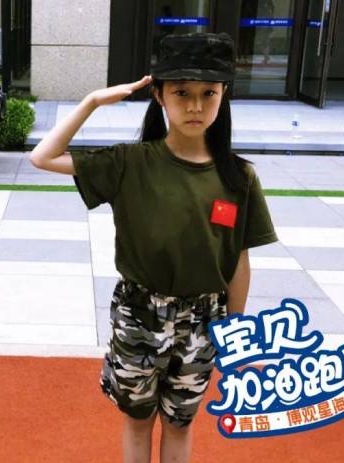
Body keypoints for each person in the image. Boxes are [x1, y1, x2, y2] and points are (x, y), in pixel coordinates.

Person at [30, 33, 278, 462]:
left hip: (204, 319)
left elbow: (240, 260)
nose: (195, 106)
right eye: (181, 92)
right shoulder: (130, 163)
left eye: (208, 93)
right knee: (138, 420)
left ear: (224, 95)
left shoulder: (238, 177)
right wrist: (92, 101)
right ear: (159, 95)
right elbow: (43, 157)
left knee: (180, 424)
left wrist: (234, 330)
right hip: (139, 314)